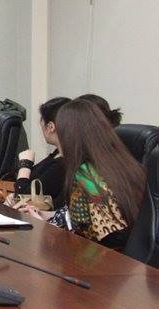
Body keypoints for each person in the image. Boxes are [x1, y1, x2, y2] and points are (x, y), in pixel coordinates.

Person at [21, 99, 145, 249]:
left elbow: (85, 236)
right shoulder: (119, 162)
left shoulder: (86, 176)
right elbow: (79, 215)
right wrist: (45, 215)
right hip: (127, 255)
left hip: (102, 257)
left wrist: (43, 225)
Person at [15, 97, 71, 207]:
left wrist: (25, 164)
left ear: (51, 127)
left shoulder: (62, 165)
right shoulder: (57, 154)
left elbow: (24, 198)